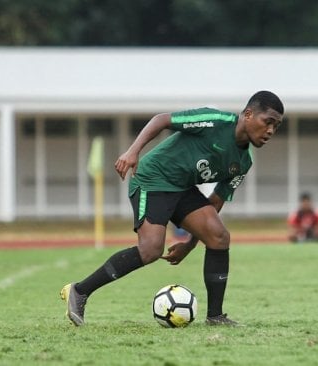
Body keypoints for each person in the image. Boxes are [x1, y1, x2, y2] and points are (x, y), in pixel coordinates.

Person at [61, 91, 284, 327]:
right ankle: (80, 291)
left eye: (276, 126)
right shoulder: (214, 120)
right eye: (267, 122)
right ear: (248, 114)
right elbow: (162, 120)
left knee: (219, 236)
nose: (271, 131)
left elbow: (215, 202)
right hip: (152, 178)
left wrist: (189, 244)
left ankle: (215, 316)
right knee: (151, 250)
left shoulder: (243, 162)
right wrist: (133, 151)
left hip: (182, 188)